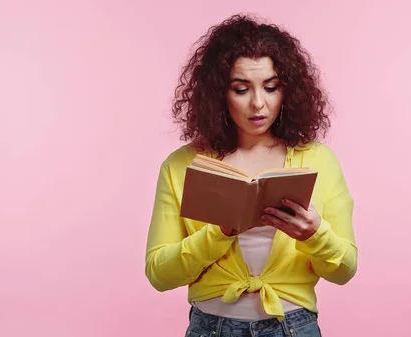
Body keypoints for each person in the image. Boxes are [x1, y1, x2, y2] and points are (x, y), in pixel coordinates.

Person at [145, 14, 358, 337]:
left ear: (287, 91)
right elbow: (159, 274)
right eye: (241, 89)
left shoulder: (319, 160)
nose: (258, 103)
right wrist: (219, 232)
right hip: (211, 328)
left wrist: (315, 235)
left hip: (293, 327)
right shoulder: (181, 165)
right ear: (219, 94)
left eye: (271, 88)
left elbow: (345, 271)